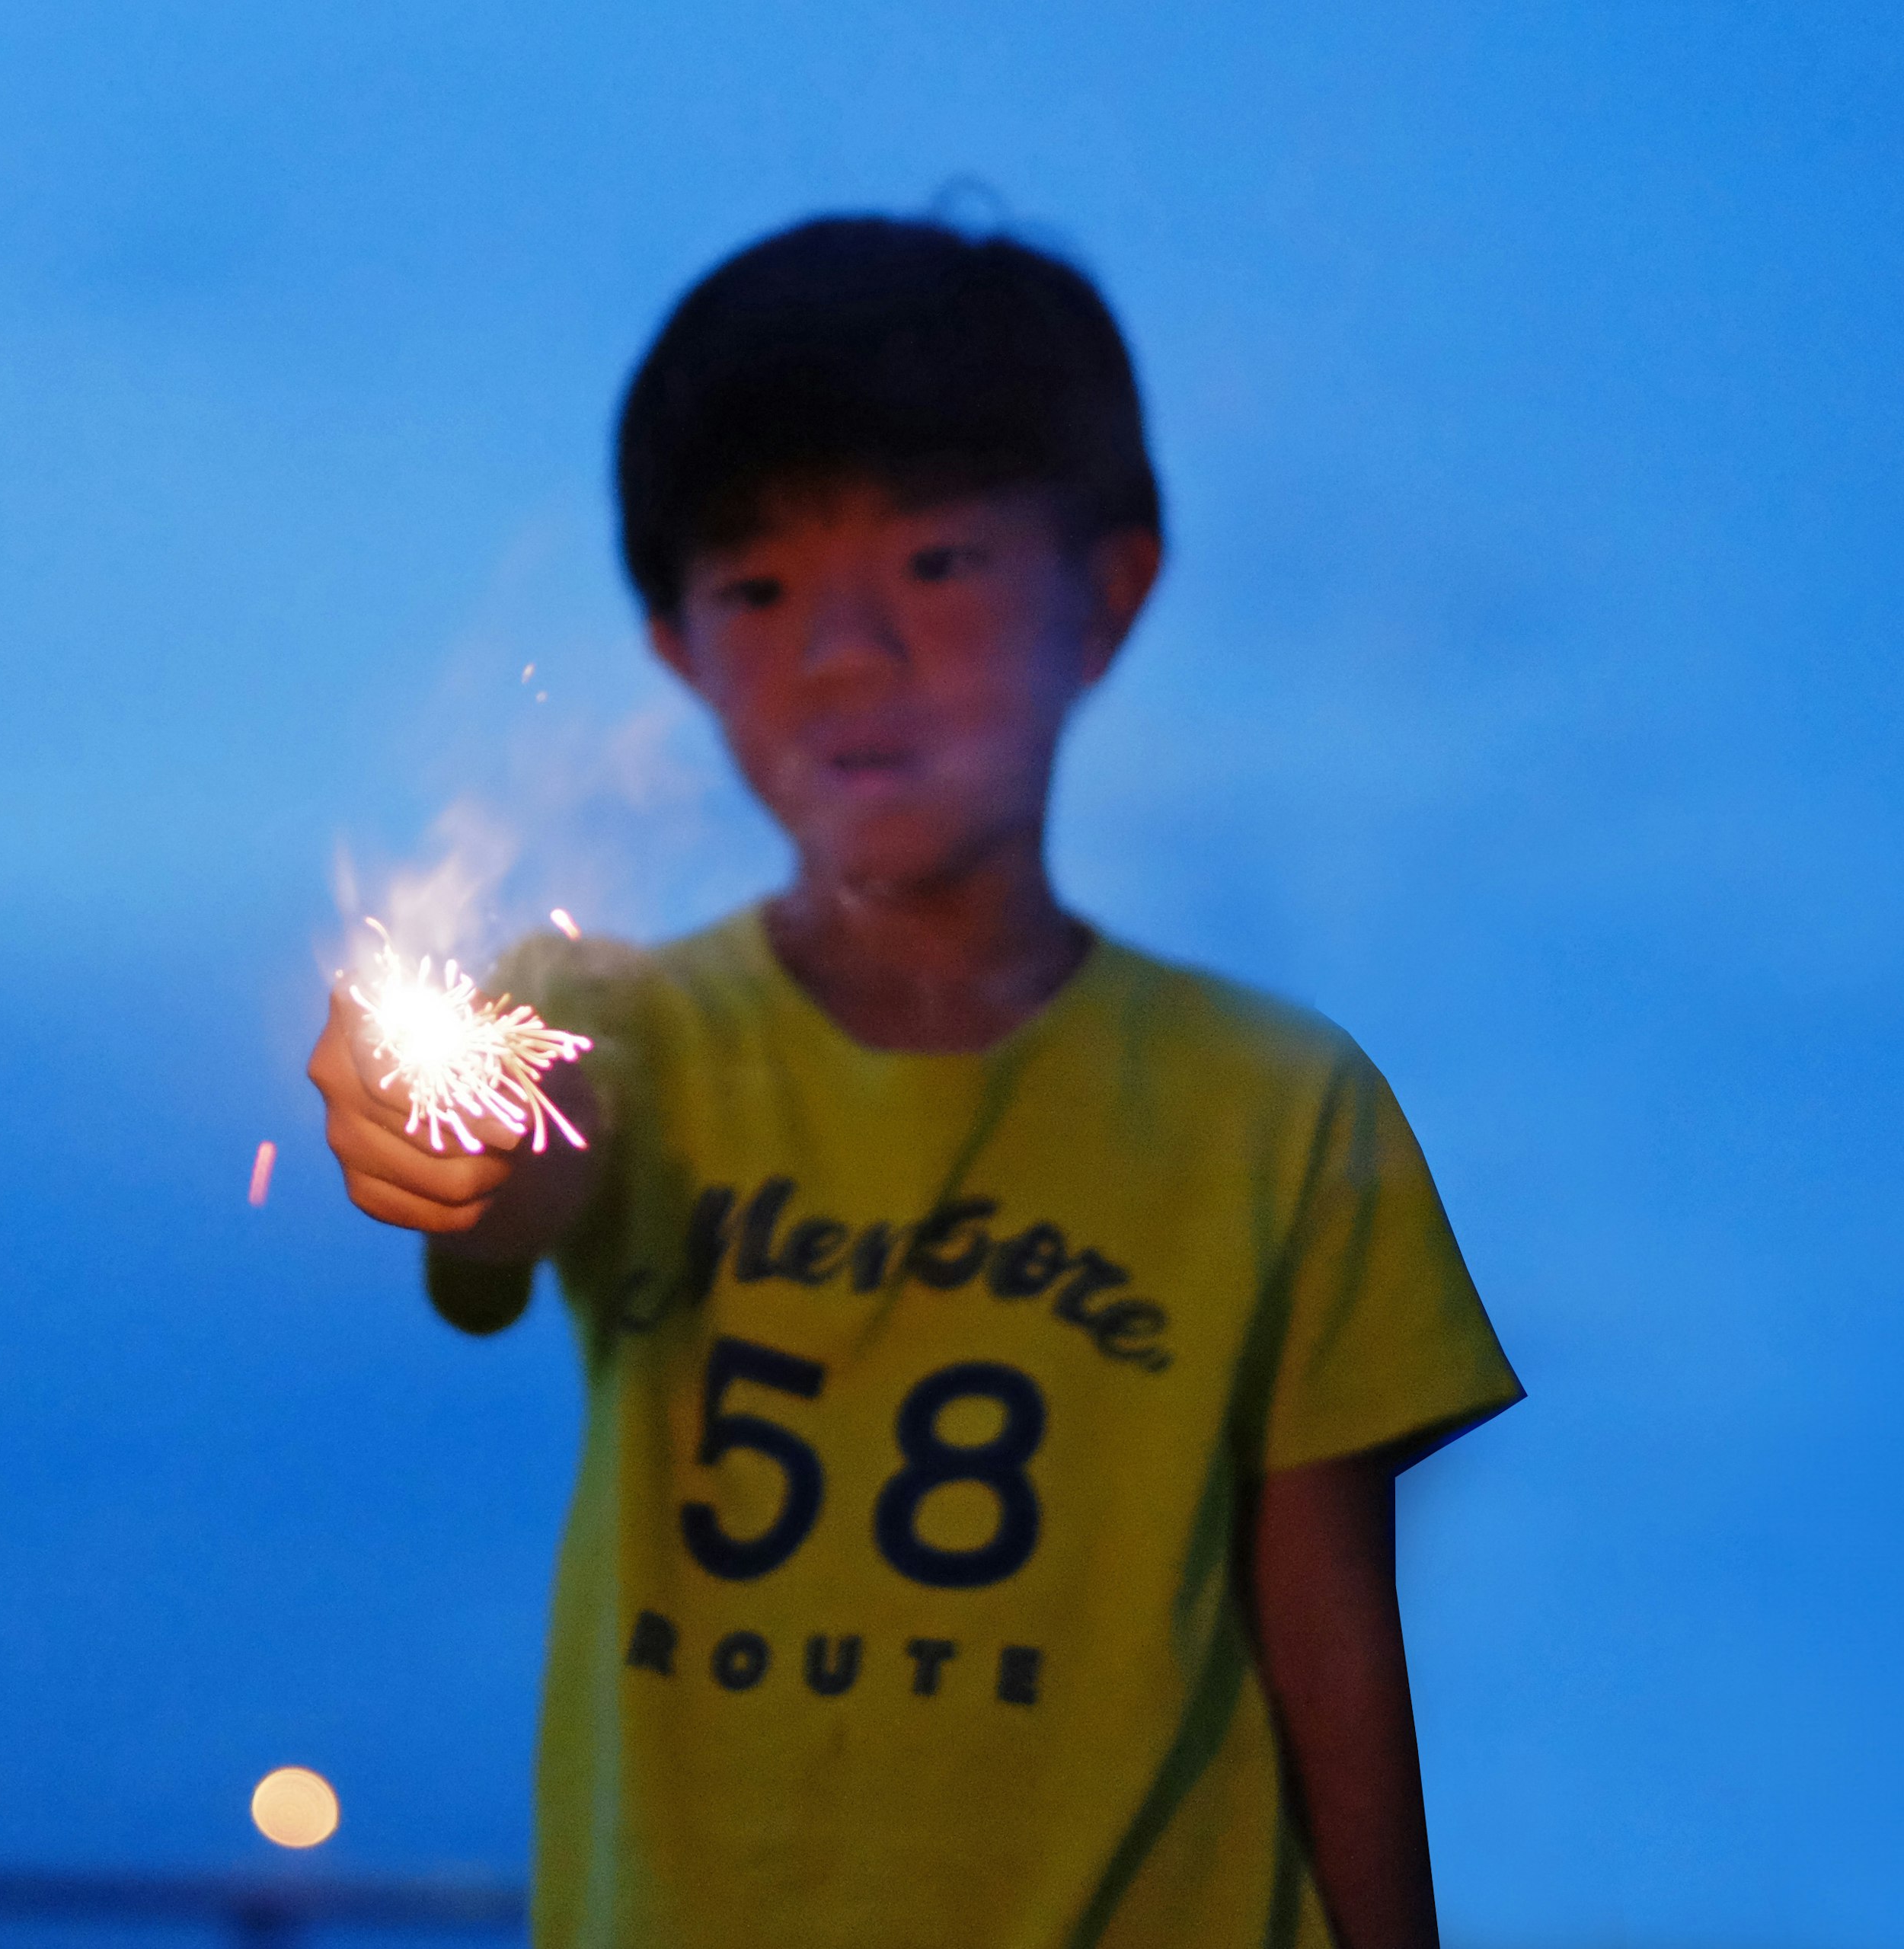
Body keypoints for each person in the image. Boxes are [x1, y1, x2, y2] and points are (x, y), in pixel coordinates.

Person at [307, 213, 1521, 1949]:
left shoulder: (1279, 1108)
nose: (845, 650)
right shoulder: (618, 1021)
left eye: (938, 562)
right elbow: (512, 1171)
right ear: (673, 645)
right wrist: (449, 1137)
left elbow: (1330, 1642)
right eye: (757, 586)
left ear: (1106, 593)